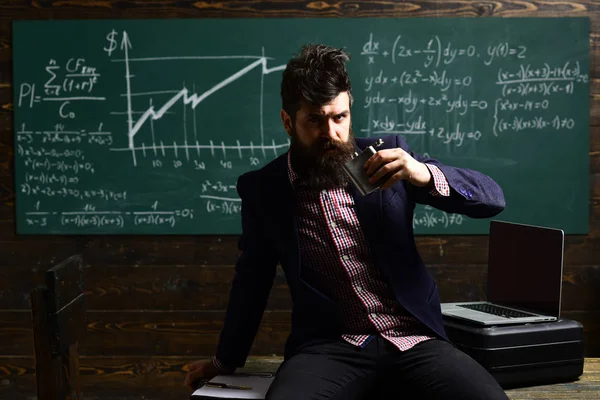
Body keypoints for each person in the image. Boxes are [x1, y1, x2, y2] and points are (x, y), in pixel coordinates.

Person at [184, 44, 509, 400]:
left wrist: (424, 173)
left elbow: (492, 200)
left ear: (349, 110)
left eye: (339, 117)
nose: (331, 133)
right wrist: (223, 361)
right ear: (288, 122)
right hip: (329, 348)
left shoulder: (387, 158)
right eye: (315, 120)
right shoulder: (265, 191)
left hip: (414, 338)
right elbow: (252, 281)